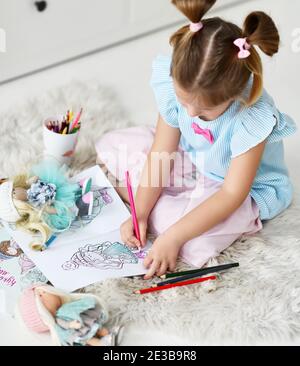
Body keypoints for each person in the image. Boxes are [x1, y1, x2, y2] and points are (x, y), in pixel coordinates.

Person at [95, 0, 297, 279]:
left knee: (193, 242)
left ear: (234, 96)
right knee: (114, 146)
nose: (189, 113)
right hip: (193, 157)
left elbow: (230, 195)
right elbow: (162, 153)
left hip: (240, 189)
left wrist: (173, 238)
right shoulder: (176, 80)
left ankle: (167, 213)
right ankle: (159, 206)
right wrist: (140, 212)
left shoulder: (252, 117)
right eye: (183, 101)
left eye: (203, 111)